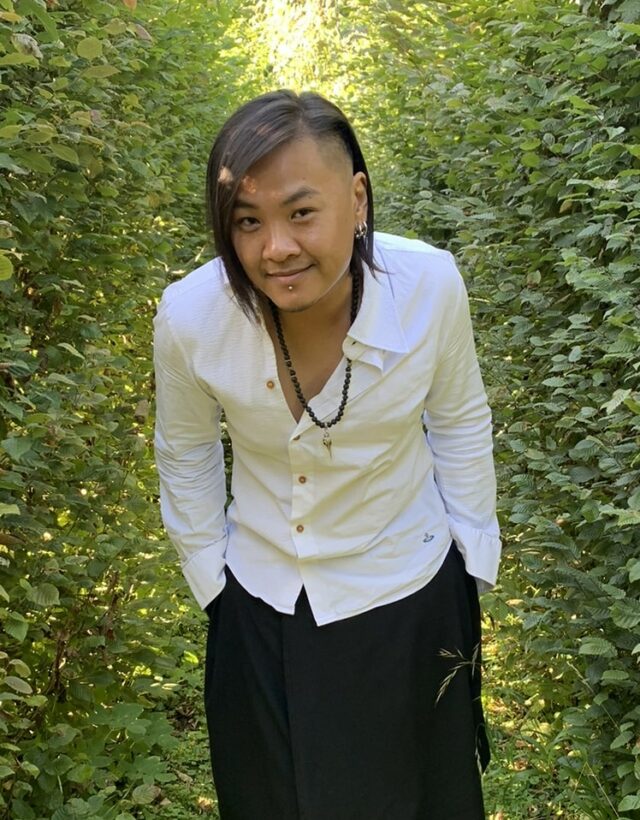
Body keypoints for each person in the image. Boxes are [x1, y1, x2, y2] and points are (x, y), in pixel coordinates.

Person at [153, 89, 501, 820]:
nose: (275, 248)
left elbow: (460, 418)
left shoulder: (429, 285)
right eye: (247, 221)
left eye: (301, 212)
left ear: (358, 199)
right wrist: (213, 583)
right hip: (261, 603)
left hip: (410, 590)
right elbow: (185, 450)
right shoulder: (191, 316)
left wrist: (470, 562)